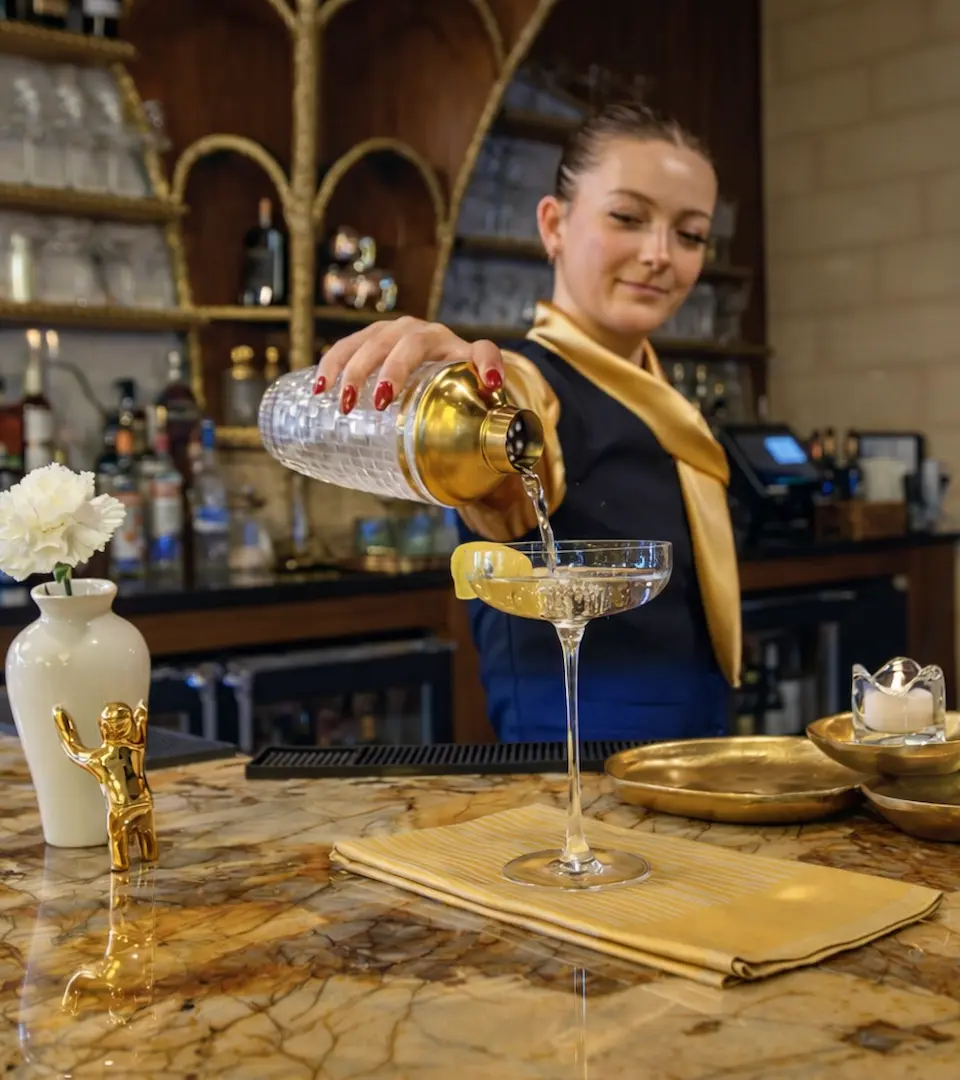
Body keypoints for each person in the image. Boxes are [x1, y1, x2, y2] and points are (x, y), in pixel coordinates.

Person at [313, 101, 741, 742]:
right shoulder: (527, 383)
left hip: (691, 761)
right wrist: (459, 392)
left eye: (691, 234)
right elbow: (513, 423)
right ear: (554, 225)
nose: (660, 254)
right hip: (578, 783)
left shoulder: (664, 403)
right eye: (627, 217)